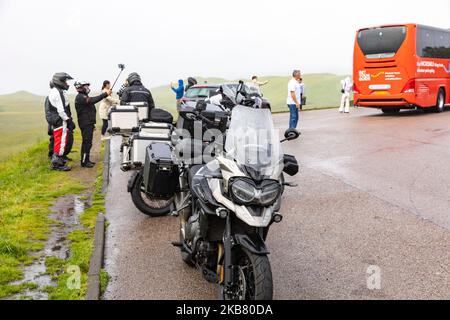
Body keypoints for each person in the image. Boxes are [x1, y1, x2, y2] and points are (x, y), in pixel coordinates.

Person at [75, 81, 111, 168]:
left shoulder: (83, 96)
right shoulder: (81, 97)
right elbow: (92, 100)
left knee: (88, 142)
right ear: (81, 87)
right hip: (85, 123)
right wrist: (104, 94)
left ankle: (86, 160)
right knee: (86, 142)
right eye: (86, 86)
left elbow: (89, 109)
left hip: (88, 123)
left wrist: (92, 124)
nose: (88, 88)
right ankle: (84, 162)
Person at [45, 72, 75, 171]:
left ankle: (58, 160)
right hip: (59, 120)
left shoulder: (55, 91)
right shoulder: (57, 92)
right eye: (65, 81)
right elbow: (61, 111)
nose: (66, 83)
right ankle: (56, 164)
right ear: (60, 81)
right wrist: (68, 120)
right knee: (60, 141)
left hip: (56, 120)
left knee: (59, 140)